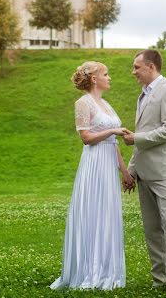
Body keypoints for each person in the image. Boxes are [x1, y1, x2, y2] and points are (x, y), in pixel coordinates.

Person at [50, 61, 134, 290]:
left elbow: (113, 143)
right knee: (93, 214)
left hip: (108, 164)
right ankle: (89, 272)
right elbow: (86, 138)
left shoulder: (106, 104)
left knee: (107, 215)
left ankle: (107, 271)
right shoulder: (83, 103)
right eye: (106, 74)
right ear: (94, 78)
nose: (110, 78)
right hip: (94, 164)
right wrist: (113, 130)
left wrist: (124, 171)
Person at [122, 49, 166, 293]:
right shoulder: (142, 96)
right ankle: (159, 280)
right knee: (152, 230)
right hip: (144, 174)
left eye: (136, 67)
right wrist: (131, 169)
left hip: (164, 173)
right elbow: (142, 137)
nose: (133, 72)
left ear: (151, 66)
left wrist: (136, 138)